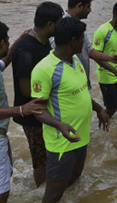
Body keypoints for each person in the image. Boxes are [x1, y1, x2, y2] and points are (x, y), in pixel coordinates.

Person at [31, 17, 109, 203]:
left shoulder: (75, 60)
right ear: (73, 41)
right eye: (82, 38)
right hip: (61, 143)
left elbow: (80, 92)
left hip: (80, 137)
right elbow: (36, 109)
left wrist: (99, 109)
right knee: (53, 193)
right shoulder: (45, 69)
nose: (84, 42)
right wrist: (59, 125)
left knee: (74, 180)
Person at [0, 20, 45, 203]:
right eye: (8, 40)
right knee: (1, 190)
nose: (9, 42)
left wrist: (18, 40)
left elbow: (3, 63)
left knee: (3, 174)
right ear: (2, 43)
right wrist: (20, 109)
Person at [12, 1, 64, 188]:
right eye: (59, 23)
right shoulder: (27, 49)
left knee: (49, 154)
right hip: (32, 115)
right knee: (40, 158)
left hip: (45, 111)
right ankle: (42, 192)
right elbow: (27, 90)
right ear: (50, 24)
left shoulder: (43, 44)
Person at [52, 0, 117, 89]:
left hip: (82, 82)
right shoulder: (62, 26)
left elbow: (89, 51)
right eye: (88, 6)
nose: (90, 10)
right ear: (79, 6)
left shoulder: (78, 26)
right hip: (70, 85)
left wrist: (110, 58)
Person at [93, 0, 117, 117]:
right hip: (107, 77)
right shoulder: (103, 31)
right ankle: (103, 125)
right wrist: (114, 71)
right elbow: (95, 55)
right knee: (111, 107)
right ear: (115, 13)